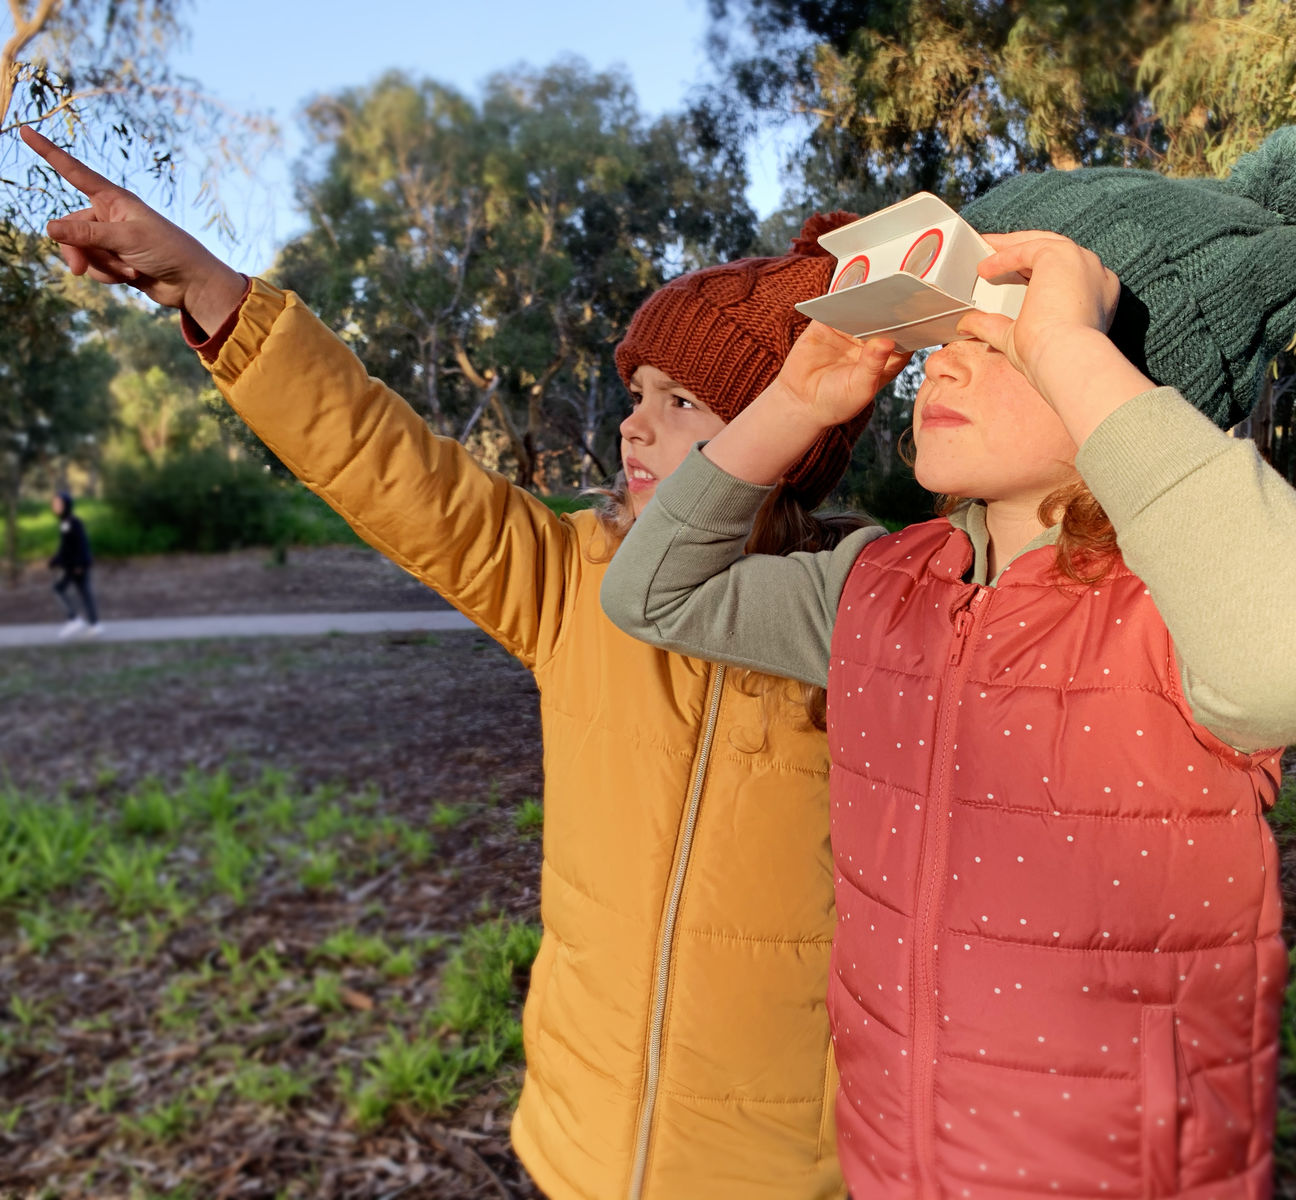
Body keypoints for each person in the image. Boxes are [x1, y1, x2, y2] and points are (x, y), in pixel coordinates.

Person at [21, 123, 878, 1200]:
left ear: (794, 430)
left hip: (789, 1171)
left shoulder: (873, 618)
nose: (633, 428)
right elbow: (389, 469)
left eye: (681, 403)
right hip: (581, 1148)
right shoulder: (571, 580)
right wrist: (206, 284)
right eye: (634, 394)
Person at [600, 124, 1296, 1198]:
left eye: (1004, 333)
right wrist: (794, 403)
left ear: (1122, 370)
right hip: (892, 1162)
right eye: (943, 333)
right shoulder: (879, 585)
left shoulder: (1178, 610)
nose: (948, 361)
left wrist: (1072, 350)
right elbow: (653, 593)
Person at [48, 490, 100, 638]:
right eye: (54, 503)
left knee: (59, 588)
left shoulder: (72, 522)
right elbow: (66, 547)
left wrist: (79, 564)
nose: (55, 506)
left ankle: (74, 619)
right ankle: (94, 624)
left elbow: (81, 544)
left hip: (76, 565)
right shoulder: (65, 523)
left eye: (58, 503)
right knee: (84, 592)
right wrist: (56, 560)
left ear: (66, 505)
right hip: (74, 564)